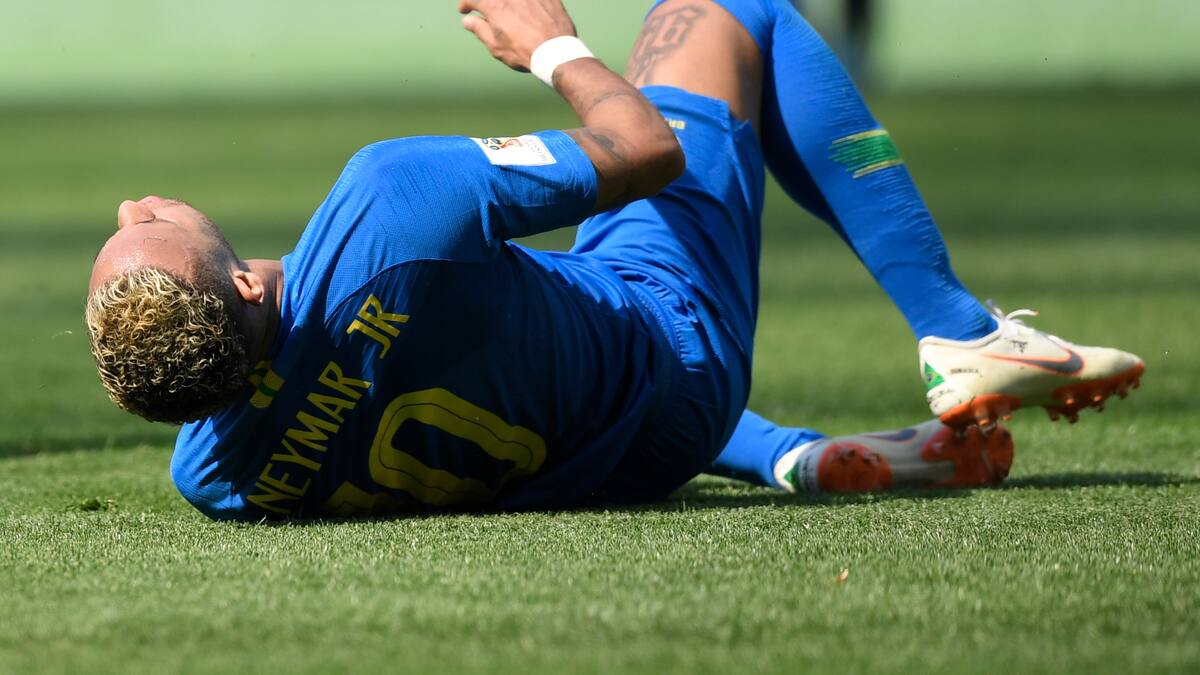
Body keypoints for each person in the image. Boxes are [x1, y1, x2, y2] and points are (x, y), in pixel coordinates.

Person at [85, 0, 1142, 521]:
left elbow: (336, 370)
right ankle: (960, 329)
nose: (135, 202)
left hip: (626, 457)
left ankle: (795, 457)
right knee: (734, 10)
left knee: (521, 360)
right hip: (670, 340)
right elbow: (647, 150)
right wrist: (549, 46)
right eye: (151, 224)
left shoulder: (216, 478)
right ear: (241, 283)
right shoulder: (387, 203)